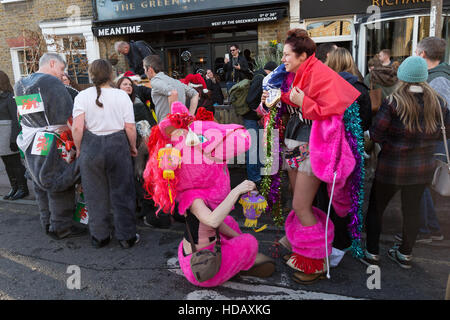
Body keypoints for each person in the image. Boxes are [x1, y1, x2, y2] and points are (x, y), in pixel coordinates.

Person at [262, 29, 362, 284]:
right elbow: (293, 103)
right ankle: (300, 248)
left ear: (303, 55)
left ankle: (314, 261)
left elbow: (332, 113)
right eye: (282, 54)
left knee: (300, 206)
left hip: (311, 145)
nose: (283, 58)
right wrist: (274, 99)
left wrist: (303, 101)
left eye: (286, 55)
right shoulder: (295, 74)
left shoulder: (322, 74)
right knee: (298, 201)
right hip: (295, 142)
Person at [143, 101, 275, 287]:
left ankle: (238, 258)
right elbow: (212, 221)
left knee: (228, 222)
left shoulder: (196, 192)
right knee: (250, 242)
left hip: (193, 252)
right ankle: (241, 262)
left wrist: (236, 238)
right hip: (203, 268)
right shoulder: (193, 197)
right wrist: (237, 190)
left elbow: (218, 223)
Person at [362, 56, 450, 269]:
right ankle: (405, 254)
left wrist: (386, 141)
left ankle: (372, 253)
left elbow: (376, 134)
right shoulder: (438, 102)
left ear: (403, 77)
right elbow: (444, 132)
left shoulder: (394, 102)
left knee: (376, 209)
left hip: (391, 167)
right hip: (421, 168)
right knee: (412, 210)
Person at [14, 53, 85, 239]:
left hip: (33, 138)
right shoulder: (51, 83)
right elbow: (67, 114)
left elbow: (22, 114)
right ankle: (61, 226)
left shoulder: (21, 84)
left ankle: (47, 221)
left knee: (40, 182)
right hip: (55, 139)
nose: (62, 75)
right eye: (61, 69)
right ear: (52, 63)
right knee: (58, 182)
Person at [72, 59, 139, 249]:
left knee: (94, 193)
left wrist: (79, 148)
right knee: (123, 192)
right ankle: (126, 237)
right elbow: (130, 127)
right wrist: (132, 146)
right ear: (111, 75)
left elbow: (77, 128)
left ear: (91, 75)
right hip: (118, 144)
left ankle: (100, 236)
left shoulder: (82, 96)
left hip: (91, 145)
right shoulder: (121, 96)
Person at [395, 36, 450, 243]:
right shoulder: (435, 76)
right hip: (431, 141)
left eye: (416, 51)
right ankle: (432, 228)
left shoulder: (438, 79)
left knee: (420, 184)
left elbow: (443, 113)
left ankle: (425, 229)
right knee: (423, 185)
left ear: (422, 54)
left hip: (432, 143)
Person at [321, 47, 372, 253]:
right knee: (350, 192)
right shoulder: (360, 87)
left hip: (329, 149)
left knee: (329, 193)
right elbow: (366, 122)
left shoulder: (326, 87)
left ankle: (329, 238)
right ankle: (346, 239)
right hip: (352, 149)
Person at [243, 61, 277, 186]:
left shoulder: (259, 77)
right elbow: (250, 100)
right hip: (251, 118)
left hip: (253, 117)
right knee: (252, 148)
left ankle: (257, 175)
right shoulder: (260, 78)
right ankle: (254, 178)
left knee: (256, 148)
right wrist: (258, 113)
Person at [143, 55, 199, 121]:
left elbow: (173, 93)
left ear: (150, 69)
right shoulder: (175, 81)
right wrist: (190, 116)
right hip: (181, 125)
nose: (144, 72)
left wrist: (173, 119)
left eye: (144, 69)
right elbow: (195, 94)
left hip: (168, 127)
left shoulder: (155, 81)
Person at [0, 71, 28, 200]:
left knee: (15, 163)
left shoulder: (10, 97)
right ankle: (14, 187)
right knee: (7, 163)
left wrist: (13, 140)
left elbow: (16, 120)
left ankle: (23, 188)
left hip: (8, 134)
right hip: (1, 135)